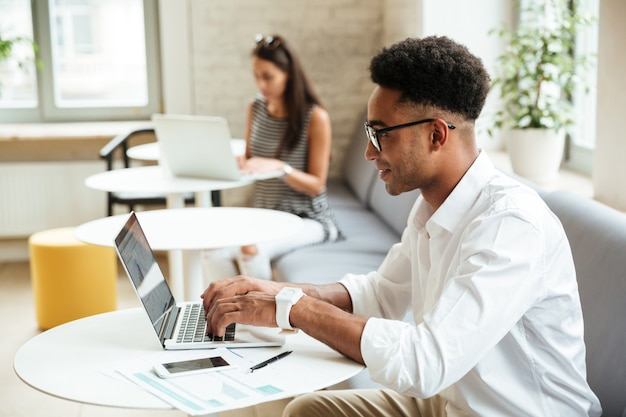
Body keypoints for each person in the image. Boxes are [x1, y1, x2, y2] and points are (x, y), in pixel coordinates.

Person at [201, 36, 602, 417]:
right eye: (369, 132)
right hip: (452, 399)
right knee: (307, 410)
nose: (369, 151)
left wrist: (293, 309)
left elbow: (425, 363)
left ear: (436, 134)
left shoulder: (510, 226)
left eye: (381, 134)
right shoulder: (430, 206)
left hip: (511, 411)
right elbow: (381, 294)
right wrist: (276, 292)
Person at [204, 34, 341, 281]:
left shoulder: (315, 117)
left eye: (268, 77)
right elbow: (249, 159)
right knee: (212, 249)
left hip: (307, 218)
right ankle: (225, 318)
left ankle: (261, 320)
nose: (261, 85)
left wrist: (280, 168)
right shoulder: (255, 107)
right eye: (256, 76)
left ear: (288, 74)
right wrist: (236, 162)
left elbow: (316, 185)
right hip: (266, 215)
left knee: (251, 249)